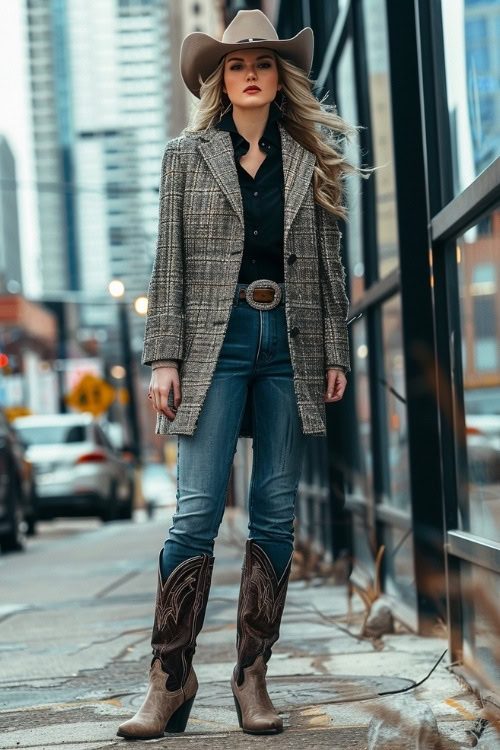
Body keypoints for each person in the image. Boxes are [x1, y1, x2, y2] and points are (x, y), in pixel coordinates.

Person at [117, 8, 370, 741]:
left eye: (261, 63)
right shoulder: (186, 156)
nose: (250, 74)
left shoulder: (308, 156)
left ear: (278, 77)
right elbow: (169, 266)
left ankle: (252, 677)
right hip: (212, 343)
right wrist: (162, 357)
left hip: (287, 341)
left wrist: (334, 352)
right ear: (220, 81)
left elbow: (328, 271)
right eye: (235, 65)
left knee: (278, 510)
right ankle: (169, 679)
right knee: (194, 510)